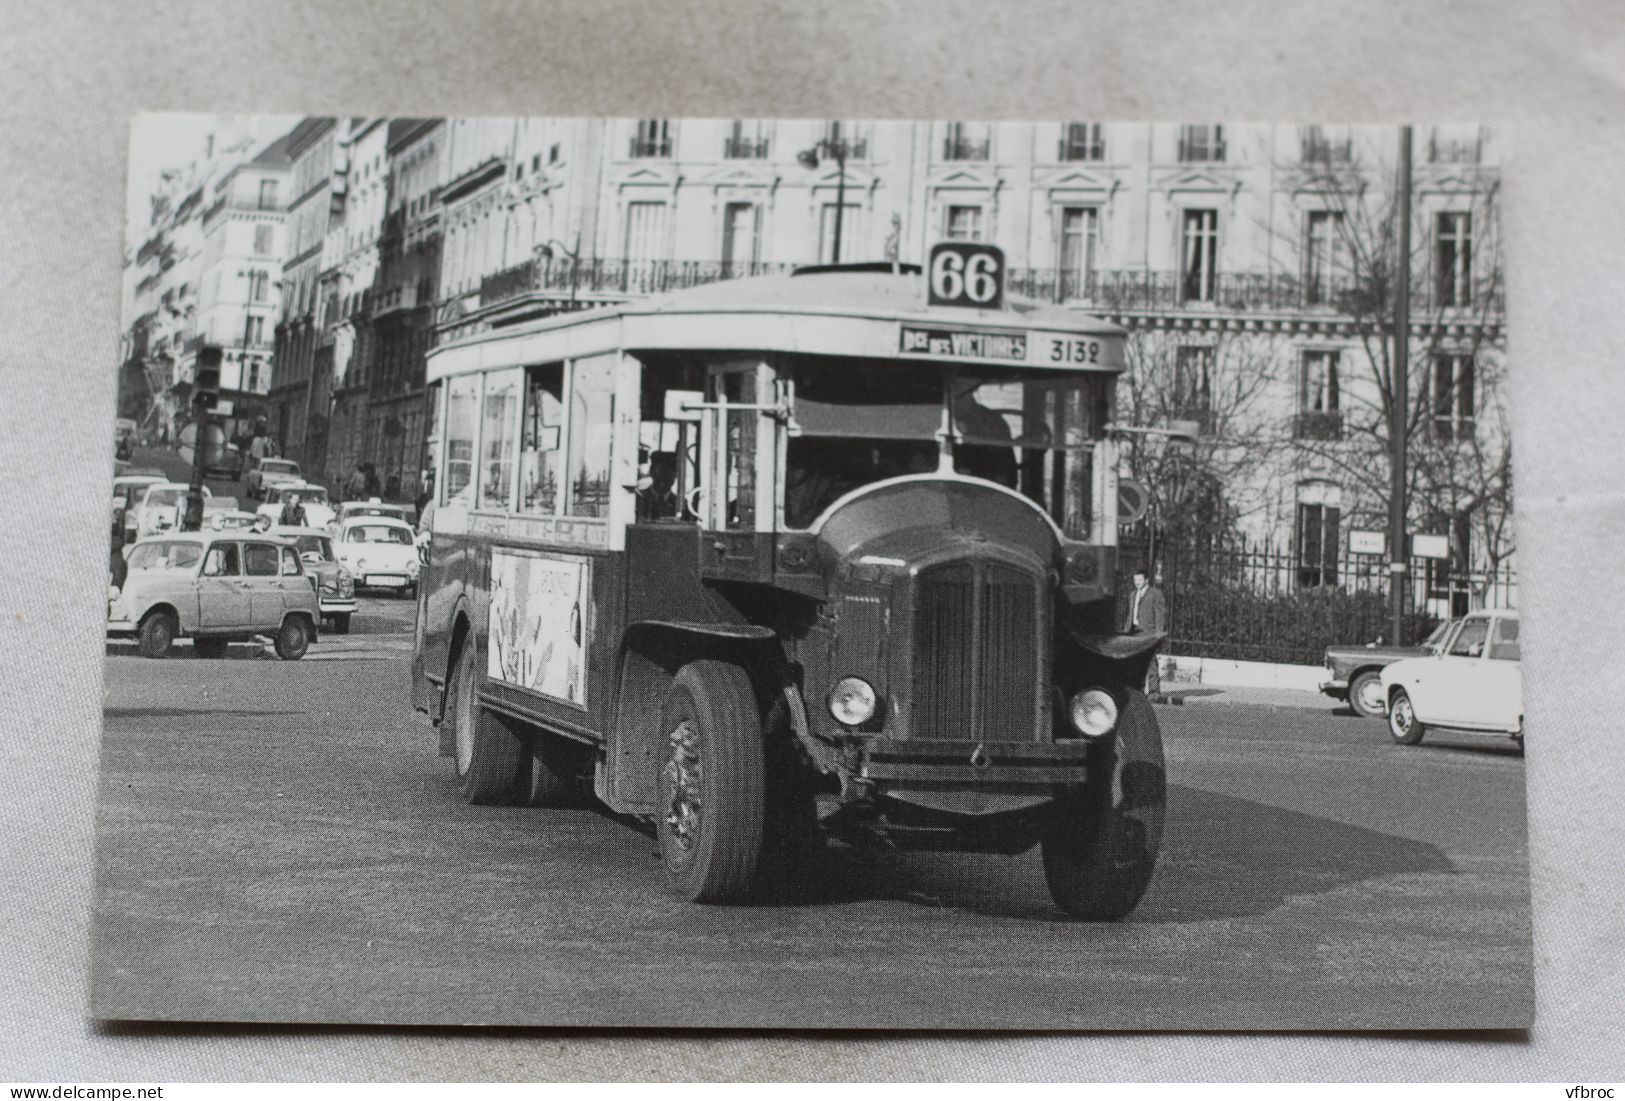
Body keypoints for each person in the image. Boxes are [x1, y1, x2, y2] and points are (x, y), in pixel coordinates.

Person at [1124, 569, 1169, 699]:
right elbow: (1131, 614)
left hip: (1149, 633)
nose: (1137, 582)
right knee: (1136, 663)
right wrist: (1127, 631)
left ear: (1146, 580)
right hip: (1134, 632)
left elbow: (1160, 615)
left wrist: (1158, 634)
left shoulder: (1155, 593)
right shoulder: (1133, 594)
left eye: (1139, 580)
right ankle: (1139, 690)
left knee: (1150, 662)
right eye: (1135, 580)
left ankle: (1154, 691)